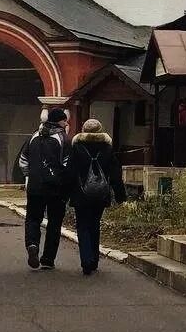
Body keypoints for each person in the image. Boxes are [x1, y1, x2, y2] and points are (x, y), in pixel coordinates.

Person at [68, 118, 126, 276]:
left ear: (83, 130)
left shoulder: (77, 147)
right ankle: (94, 260)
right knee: (94, 225)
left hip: (81, 194)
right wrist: (120, 196)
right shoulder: (107, 149)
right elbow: (115, 174)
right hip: (101, 194)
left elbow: (70, 173)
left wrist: (66, 193)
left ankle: (86, 260)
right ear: (100, 130)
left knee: (82, 226)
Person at [18, 107, 70, 270]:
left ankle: (32, 244)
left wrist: (30, 175)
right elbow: (68, 164)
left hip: (35, 186)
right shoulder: (64, 139)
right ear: (61, 121)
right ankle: (48, 259)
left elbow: (23, 160)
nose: (66, 123)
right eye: (65, 120)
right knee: (54, 222)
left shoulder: (34, 136)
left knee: (33, 218)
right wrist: (65, 183)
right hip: (56, 188)